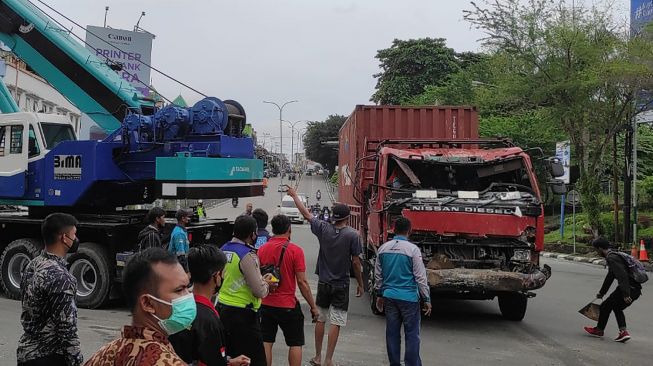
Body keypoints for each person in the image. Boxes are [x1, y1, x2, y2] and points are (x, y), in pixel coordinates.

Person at [287, 187, 364, 366]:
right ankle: (329, 359)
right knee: (336, 321)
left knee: (320, 318)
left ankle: (317, 356)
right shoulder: (353, 235)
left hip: (324, 281)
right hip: (342, 284)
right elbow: (356, 263)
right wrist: (360, 283)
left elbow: (306, 214)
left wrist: (294, 196)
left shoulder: (323, 228)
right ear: (346, 218)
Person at [84, 248, 191, 366]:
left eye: (188, 287)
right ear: (148, 303)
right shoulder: (168, 362)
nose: (188, 296)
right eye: (180, 290)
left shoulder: (104, 355)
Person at [17, 213, 83, 366]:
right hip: (49, 357)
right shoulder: (61, 277)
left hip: (26, 353)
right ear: (64, 238)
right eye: (74, 234)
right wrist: (76, 361)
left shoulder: (32, 265)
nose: (76, 239)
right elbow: (67, 329)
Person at [169, 245, 251, 366]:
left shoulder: (178, 308)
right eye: (223, 273)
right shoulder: (209, 321)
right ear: (217, 276)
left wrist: (228, 361)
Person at [258, 214, 320, 366]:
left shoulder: (262, 249)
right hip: (288, 305)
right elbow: (302, 282)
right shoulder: (295, 250)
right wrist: (313, 307)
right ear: (289, 229)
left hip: (266, 303)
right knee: (295, 343)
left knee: (266, 341)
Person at [217, 215, 278, 366]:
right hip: (244, 316)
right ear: (252, 234)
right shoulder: (247, 255)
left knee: (230, 357)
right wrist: (267, 284)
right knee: (253, 360)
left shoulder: (223, 249)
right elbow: (259, 291)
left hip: (222, 309)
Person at [375, 217, 431, 366]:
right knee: (412, 335)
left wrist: (379, 295)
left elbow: (378, 276)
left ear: (393, 230)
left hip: (389, 297)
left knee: (392, 333)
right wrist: (426, 299)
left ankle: (394, 363)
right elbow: (420, 277)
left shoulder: (383, 248)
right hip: (409, 299)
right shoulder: (413, 250)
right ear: (409, 231)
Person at [584, 238, 643, 342]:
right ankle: (623, 332)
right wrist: (602, 292)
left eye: (597, 250)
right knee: (616, 307)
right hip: (635, 289)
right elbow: (610, 277)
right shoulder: (614, 256)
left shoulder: (612, 258)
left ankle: (599, 330)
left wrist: (625, 294)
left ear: (600, 248)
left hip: (628, 289)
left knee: (605, 306)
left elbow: (622, 276)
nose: (597, 253)